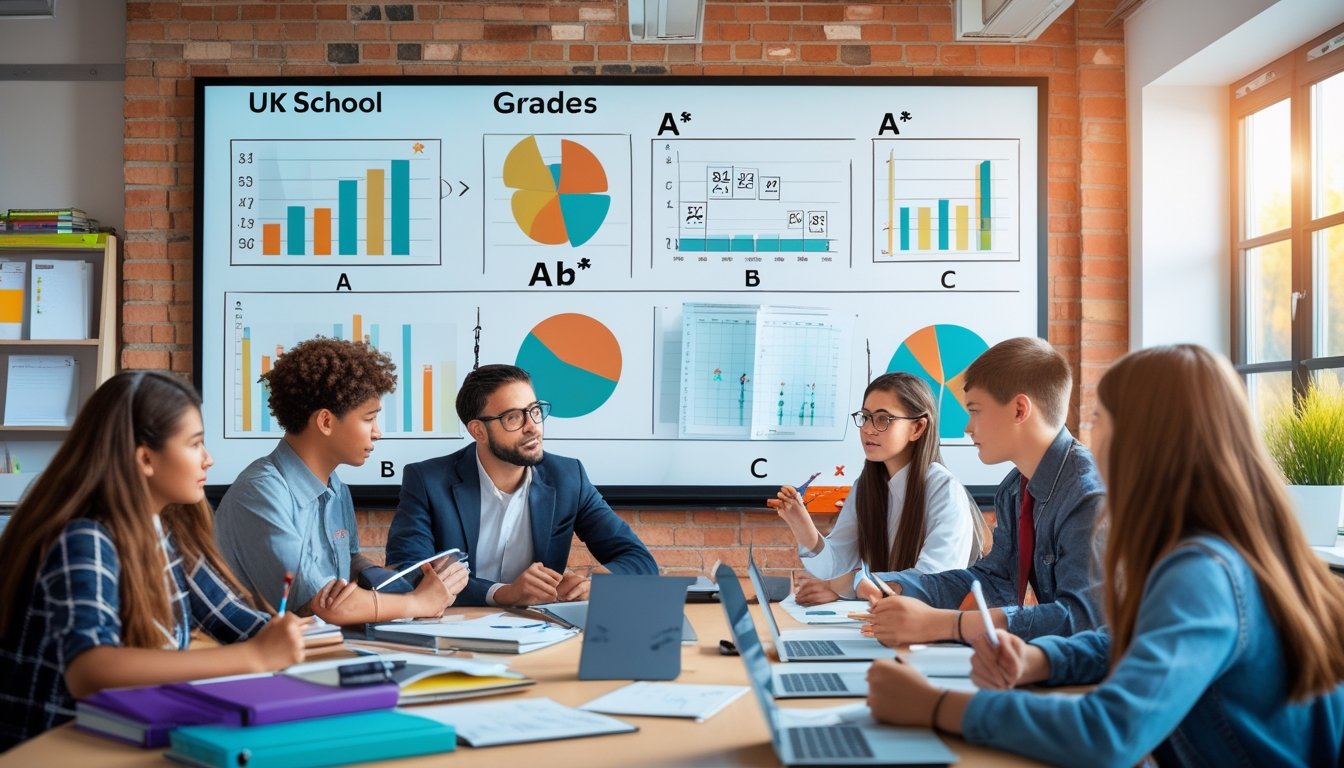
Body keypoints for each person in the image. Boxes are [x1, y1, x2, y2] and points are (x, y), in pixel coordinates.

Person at [866, 344, 1344, 766]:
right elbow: (1128, 641)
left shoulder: (1203, 571)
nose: (1091, 439)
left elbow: (1109, 733)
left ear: (1142, 439)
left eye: (1099, 420)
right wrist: (1042, 659)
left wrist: (936, 706)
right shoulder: (1202, 548)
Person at [0, 372, 306, 750]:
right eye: (195, 444)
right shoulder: (85, 539)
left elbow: (235, 619)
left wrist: (298, 636)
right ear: (145, 458)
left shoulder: (165, 530)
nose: (208, 459)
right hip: (54, 750)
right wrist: (254, 657)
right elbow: (89, 670)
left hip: (116, 738)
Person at [857, 337, 1104, 643]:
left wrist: (950, 625)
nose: (967, 427)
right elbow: (995, 580)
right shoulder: (1014, 490)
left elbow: (1082, 619)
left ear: (1019, 410)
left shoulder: (1088, 496)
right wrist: (894, 585)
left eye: (975, 411)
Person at [215, 337, 467, 625]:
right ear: (325, 422)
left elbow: (348, 565)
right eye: (369, 419)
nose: (377, 433)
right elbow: (321, 604)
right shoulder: (260, 492)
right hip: (262, 647)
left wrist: (402, 578)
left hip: (319, 642)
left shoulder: (337, 489)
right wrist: (419, 602)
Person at [387, 363, 657, 606]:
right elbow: (407, 574)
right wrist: (502, 593)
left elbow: (639, 560)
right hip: (454, 628)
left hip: (539, 630)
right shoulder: (428, 481)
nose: (532, 427)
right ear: (479, 431)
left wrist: (595, 583)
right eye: (513, 417)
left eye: (535, 411)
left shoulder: (567, 478)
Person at [767, 372, 988, 605]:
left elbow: (932, 581)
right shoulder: (866, 487)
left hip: (930, 623)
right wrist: (800, 524)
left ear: (917, 428)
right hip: (887, 617)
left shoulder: (943, 488)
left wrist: (849, 585)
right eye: (865, 417)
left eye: (883, 419)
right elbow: (833, 565)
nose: (868, 429)